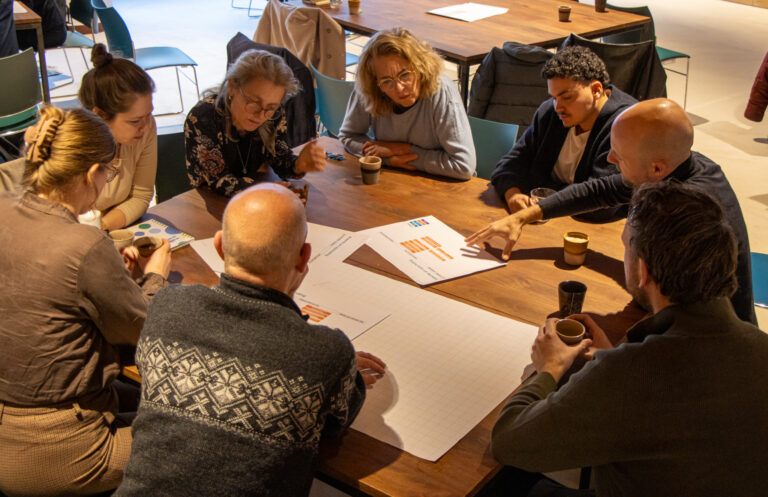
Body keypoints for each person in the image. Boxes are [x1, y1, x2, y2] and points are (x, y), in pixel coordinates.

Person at [488, 182, 768, 497]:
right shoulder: (760, 348)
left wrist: (548, 368)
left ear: (643, 270)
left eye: (625, 247)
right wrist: (610, 356)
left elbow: (509, 442)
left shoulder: (633, 374)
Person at [115, 184, 386, 497]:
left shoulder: (165, 306)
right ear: (304, 257)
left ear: (219, 246)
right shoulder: (326, 352)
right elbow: (336, 424)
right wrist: (346, 370)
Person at [0, 106, 171, 497]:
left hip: (6, 429)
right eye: (108, 172)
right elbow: (143, 328)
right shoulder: (83, 243)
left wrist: (114, 281)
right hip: (61, 451)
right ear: (91, 172)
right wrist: (155, 275)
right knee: (201, 434)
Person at [466, 98, 757, 324]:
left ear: (656, 168)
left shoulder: (684, 212)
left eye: (619, 154)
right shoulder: (678, 165)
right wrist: (526, 215)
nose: (609, 158)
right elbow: (601, 190)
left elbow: (658, 299)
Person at [491, 46, 636, 219]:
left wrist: (544, 199)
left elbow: (602, 202)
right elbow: (510, 163)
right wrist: (512, 193)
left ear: (596, 90)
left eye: (567, 97)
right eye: (554, 97)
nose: (558, 107)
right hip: (543, 217)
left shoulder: (624, 125)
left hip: (595, 228)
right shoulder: (550, 113)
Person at [338, 27, 476, 180]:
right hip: (393, 178)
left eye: (404, 75)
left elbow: (463, 166)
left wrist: (405, 150)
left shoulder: (441, 91)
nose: (399, 88)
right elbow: (349, 136)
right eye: (387, 81)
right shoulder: (369, 88)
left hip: (442, 182)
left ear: (420, 67)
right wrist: (388, 160)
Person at [185, 49, 325, 197]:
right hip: (211, 201)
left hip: (254, 200)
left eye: (271, 107)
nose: (261, 115)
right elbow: (218, 181)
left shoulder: (273, 114)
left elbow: (279, 158)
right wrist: (263, 189)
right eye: (254, 102)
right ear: (232, 87)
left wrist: (297, 165)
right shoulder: (203, 117)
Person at [78, 43, 157, 231]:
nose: (146, 127)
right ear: (100, 115)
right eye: (135, 121)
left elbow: (141, 195)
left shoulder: (143, 129)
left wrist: (102, 226)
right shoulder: (72, 147)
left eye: (149, 114)